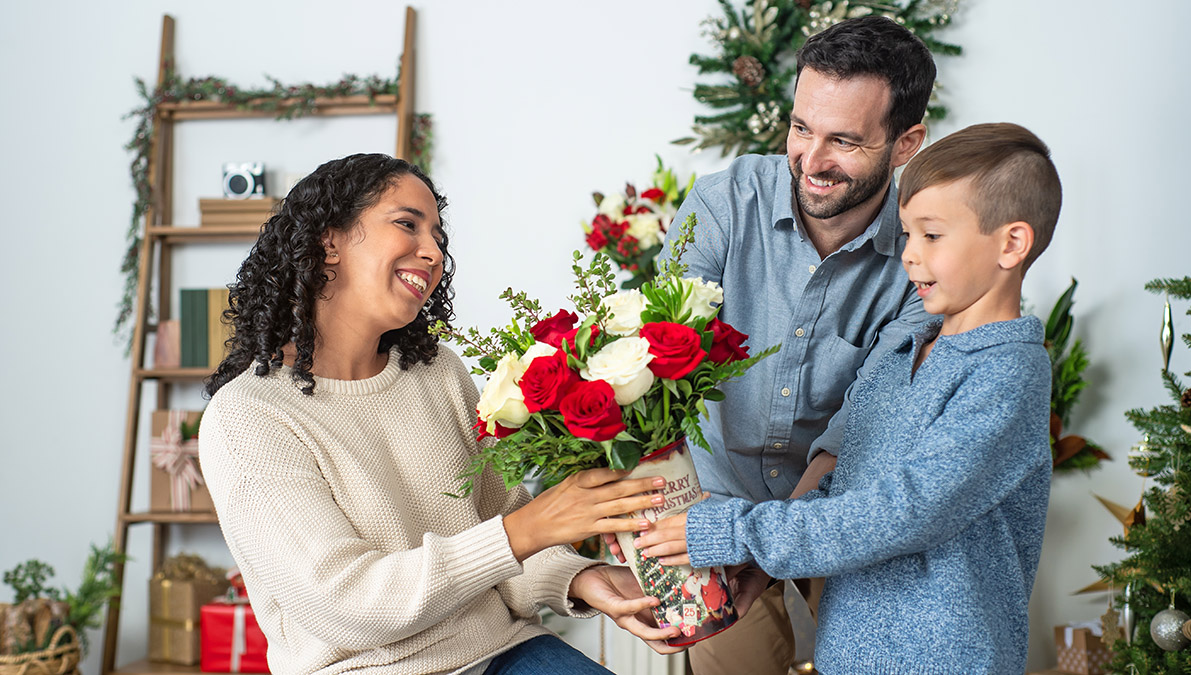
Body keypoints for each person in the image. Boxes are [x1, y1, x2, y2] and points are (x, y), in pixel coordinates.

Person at [198, 153, 679, 675]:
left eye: (438, 237)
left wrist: (581, 578)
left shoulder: (438, 373)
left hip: (504, 651)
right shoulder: (247, 416)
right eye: (407, 224)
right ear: (328, 241)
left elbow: (503, 531)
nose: (432, 253)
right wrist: (524, 530)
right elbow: (346, 604)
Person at [638, 122, 1061, 673]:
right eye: (906, 234)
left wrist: (732, 533)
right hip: (848, 655)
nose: (909, 257)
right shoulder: (904, 351)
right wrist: (758, 563)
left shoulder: (1008, 372)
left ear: (1012, 244)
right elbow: (844, 484)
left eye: (932, 236)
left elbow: (906, 511)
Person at [639, 15, 938, 673]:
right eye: (802, 128)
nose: (812, 159)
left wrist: (775, 543)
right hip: (714, 503)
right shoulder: (721, 204)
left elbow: (862, 426)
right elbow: (661, 361)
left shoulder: (924, 256)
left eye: (845, 141)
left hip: (840, 514)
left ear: (906, 143)